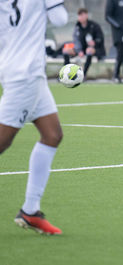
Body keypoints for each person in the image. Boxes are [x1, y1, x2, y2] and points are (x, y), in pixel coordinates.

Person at [0, 0, 68, 235]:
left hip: (20, 70)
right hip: (25, 74)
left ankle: (30, 211)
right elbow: (60, 19)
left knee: (52, 135)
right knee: (2, 142)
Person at [63, 8, 106, 77]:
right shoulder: (77, 27)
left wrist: (94, 42)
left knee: (89, 50)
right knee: (65, 50)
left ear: (86, 15)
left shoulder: (94, 26)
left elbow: (100, 38)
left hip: (95, 49)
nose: (81, 17)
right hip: (81, 50)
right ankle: (66, 73)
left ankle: (84, 74)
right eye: (80, 15)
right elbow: (76, 40)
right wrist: (79, 51)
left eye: (83, 15)